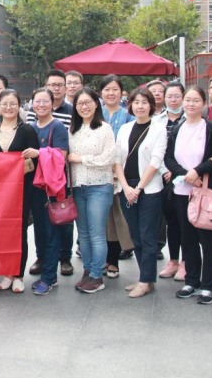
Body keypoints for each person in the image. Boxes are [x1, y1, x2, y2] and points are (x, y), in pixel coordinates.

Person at [165, 86, 212, 305]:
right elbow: (168, 158)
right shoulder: (177, 129)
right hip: (182, 191)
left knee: (207, 239)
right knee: (187, 238)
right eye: (188, 100)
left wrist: (197, 172)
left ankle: (208, 285)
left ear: (204, 104)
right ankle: (192, 281)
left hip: (205, 192)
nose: (191, 104)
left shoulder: (211, 128)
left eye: (196, 100)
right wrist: (186, 175)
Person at [0, 89, 40, 294]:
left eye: (13, 104)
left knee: (19, 231)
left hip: (21, 190)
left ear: (19, 106)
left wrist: (15, 166)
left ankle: (19, 274)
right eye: (4, 104)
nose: (8, 107)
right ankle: (7, 272)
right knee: (1, 232)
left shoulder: (28, 131)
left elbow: (35, 162)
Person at [113, 88, 168, 298]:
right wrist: (126, 187)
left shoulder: (159, 129)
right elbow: (117, 159)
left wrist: (138, 188)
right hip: (126, 188)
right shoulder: (125, 128)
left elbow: (156, 161)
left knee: (148, 236)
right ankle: (146, 277)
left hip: (149, 189)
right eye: (136, 102)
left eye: (144, 102)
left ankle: (146, 281)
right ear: (130, 105)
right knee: (135, 235)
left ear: (151, 105)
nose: (140, 106)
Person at [68, 87, 116, 294]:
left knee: (96, 234)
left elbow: (108, 158)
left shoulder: (104, 129)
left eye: (88, 102)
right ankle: (87, 272)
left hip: (99, 186)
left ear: (96, 104)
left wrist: (81, 159)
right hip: (78, 187)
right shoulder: (73, 130)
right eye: (79, 103)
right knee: (84, 234)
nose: (84, 106)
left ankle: (97, 276)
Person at [26, 70, 74, 276]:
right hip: (35, 184)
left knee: (55, 224)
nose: (41, 105)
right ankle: (41, 257)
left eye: (46, 101)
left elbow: (61, 156)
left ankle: (54, 266)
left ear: (52, 103)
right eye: (37, 101)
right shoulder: (30, 127)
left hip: (53, 185)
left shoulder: (58, 127)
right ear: (32, 104)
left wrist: (39, 153)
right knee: (39, 225)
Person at [99, 74, 135, 279]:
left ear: (121, 92)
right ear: (101, 92)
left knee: (117, 217)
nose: (111, 93)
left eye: (115, 89)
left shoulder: (128, 116)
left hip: (121, 174)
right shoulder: (96, 113)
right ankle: (105, 259)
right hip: (98, 172)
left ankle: (114, 259)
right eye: (107, 89)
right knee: (102, 219)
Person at [154, 81, 186, 281]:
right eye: (169, 96)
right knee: (171, 221)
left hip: (186, 177)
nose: (173, 100)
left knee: (187, 221)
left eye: (177, 96)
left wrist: (176, 172)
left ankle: (186, 262)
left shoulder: (191, 118)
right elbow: (154, 149)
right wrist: (165, 170)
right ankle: (173, 260)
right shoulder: (157, 121)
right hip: (162, 176)